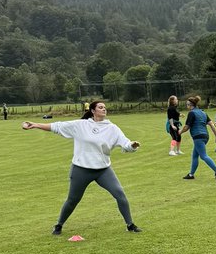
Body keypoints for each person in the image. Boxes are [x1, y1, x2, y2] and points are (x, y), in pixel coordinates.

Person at [22, 100, 143, 234]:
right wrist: (35, 125)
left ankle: (130, 225)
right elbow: (57, 126)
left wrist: (132, 145)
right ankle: (59, 225)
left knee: (120, 195)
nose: (104, 109)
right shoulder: (80, 125)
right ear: (93, 111)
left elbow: (125, 143)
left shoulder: (112, 128)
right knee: (73, 200)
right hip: (81, 170)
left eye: (105, 107)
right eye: (100, 107)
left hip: (103, 170)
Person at [179, 96, 216, 181]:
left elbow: (187, 127)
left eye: (187, 104)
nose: (186, 106)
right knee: (195, 155)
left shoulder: (192, 113)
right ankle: (191, 174)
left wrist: (180, 132)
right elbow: (211, 124)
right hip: (205, 136)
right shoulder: (203, 113)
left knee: (203, 156)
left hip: (198, 136)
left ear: (190, 105)